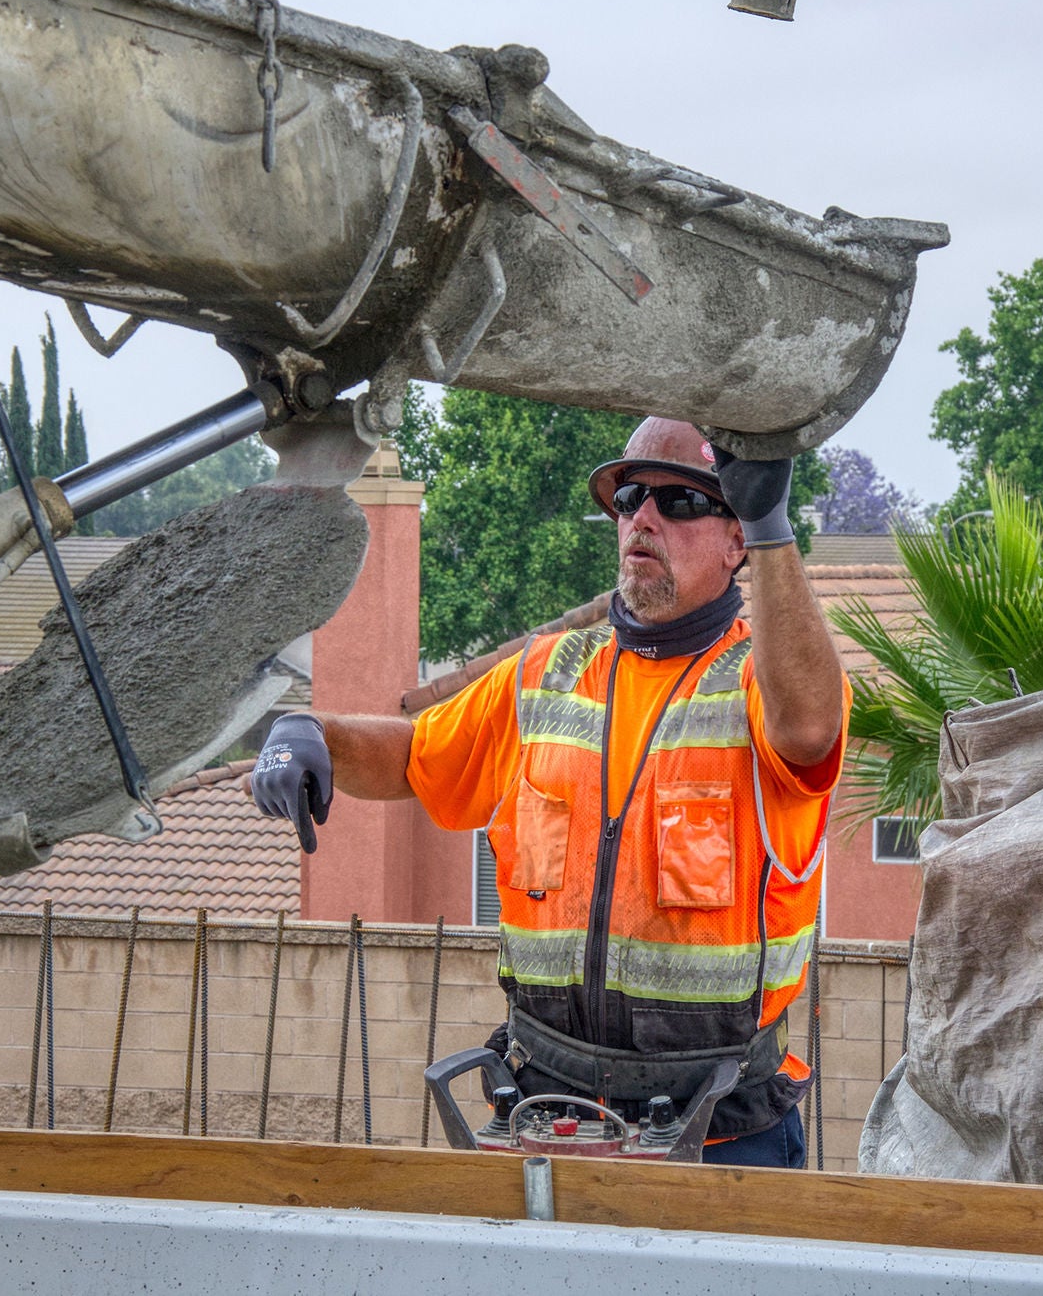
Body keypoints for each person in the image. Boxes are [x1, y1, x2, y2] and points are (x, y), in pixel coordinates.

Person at [250, 418, 847, 1167]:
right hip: (548, 1116)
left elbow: (812, 727)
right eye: (630, 498)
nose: (644, 518)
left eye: (682, 502)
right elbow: (415, 756)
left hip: (723, 1134)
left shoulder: (758, 687)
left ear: (735, 544)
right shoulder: (546, 675)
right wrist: (309, 732)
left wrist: (772, 527)